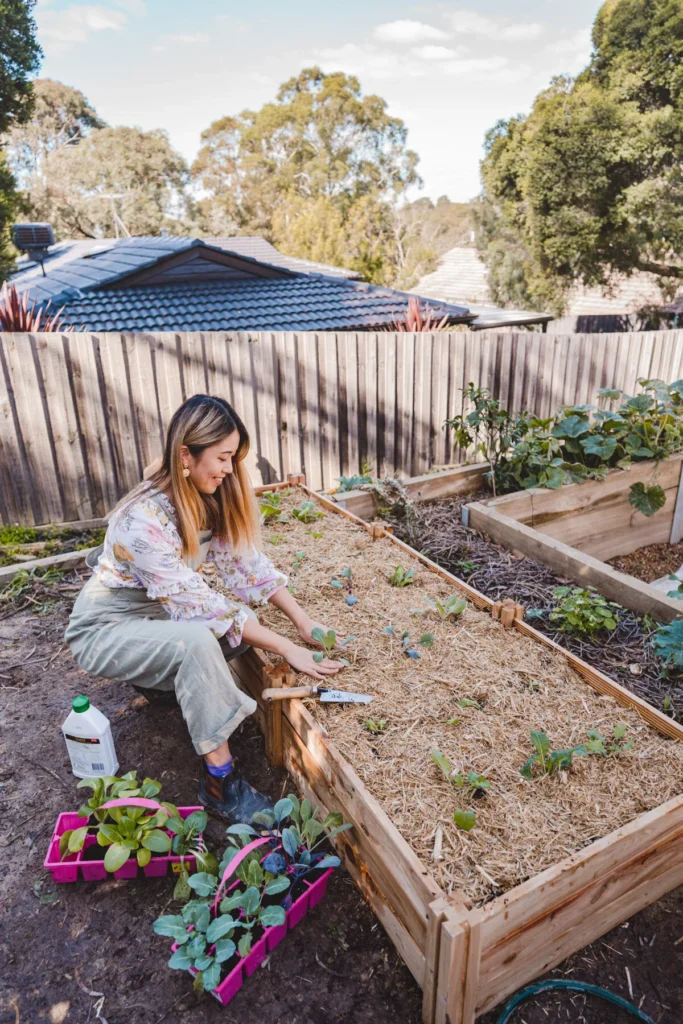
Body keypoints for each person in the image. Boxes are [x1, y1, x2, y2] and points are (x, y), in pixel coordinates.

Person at [66, 394, 342, 823]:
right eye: (223, 457)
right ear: (185, 455)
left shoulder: (203, 496)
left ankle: (167, 690)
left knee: (238, 627)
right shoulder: (142, 521)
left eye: (234, 458)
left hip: (155, 612)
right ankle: (220, 784)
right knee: (199, 641)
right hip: (106, 627)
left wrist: (303, 623)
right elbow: (201, 609)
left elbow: (247, 566)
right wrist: (287, 648)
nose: (230, 469)